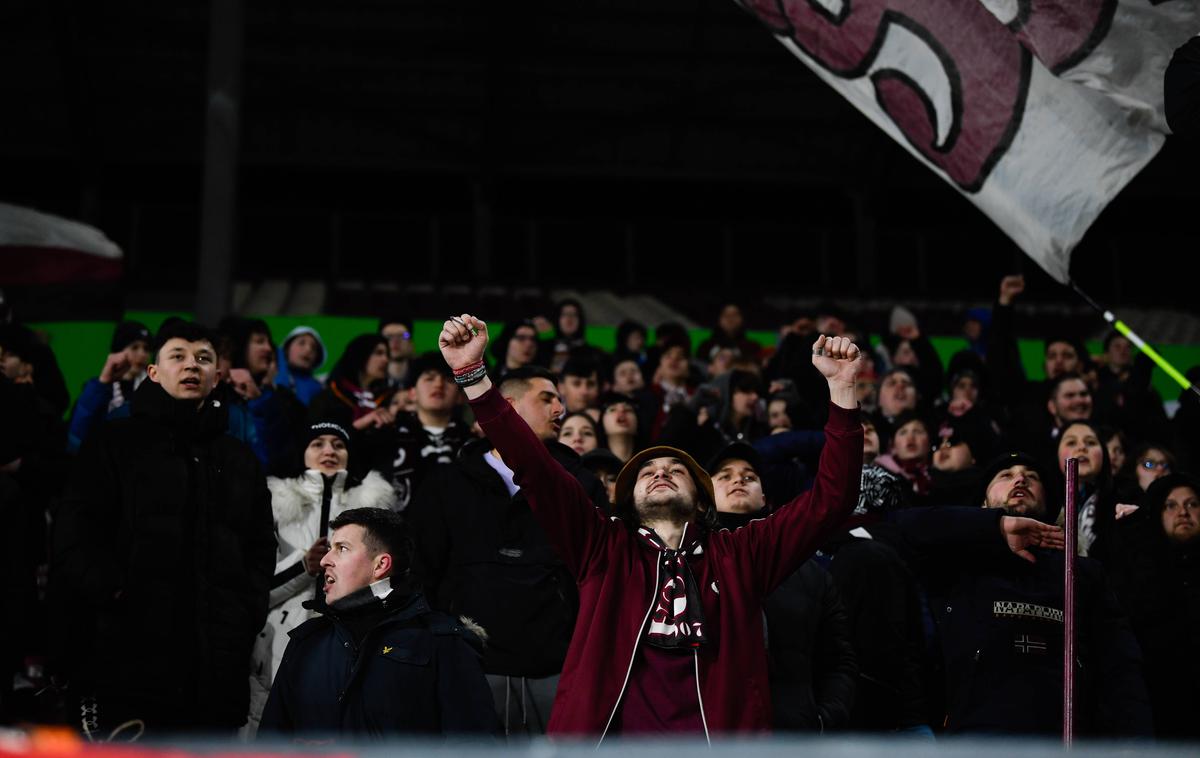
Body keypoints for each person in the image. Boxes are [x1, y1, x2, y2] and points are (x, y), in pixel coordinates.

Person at [438, 313, 864, 738]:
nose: (660, 473)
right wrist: (473, 376)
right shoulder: (601, 547)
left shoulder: (742, 553)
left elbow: (830, 502)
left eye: (675, 470)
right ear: (630, 501)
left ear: (700, 499)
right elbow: (535, 468)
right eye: (646, 472)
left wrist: (843, 391)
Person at [52, 320, 275, 735]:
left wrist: (242, 614)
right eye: (178, 356)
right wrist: (116, 592)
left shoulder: (239, 458)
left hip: (214, 674)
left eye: (203, 358)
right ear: (153, 372)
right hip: (123, 666)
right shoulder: (113, 441)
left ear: (217, 376)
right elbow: (74, 537)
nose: (191, 365)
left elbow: (260, 549)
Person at [863, 453, 1152, 736]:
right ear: (983, 502)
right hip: (973, 739)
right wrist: (995, 526)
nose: (1020, 479)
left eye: (1032, 477)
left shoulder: (1083, 573)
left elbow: (1121, 666)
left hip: (1068, 741)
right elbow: (893, 529)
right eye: (1005, 475)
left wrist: (1134, 743)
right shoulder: (953, 562)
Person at [408, 365, 609, 735]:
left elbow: (596, 578)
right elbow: (422, 573)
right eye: (547, 398)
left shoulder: (581, 486)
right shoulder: (445, 484)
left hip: (559, 669)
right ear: (509, 407)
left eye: (561, 401)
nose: (560, 410)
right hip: (469, 670)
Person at [259, 508, 496, 738]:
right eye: (329, 548)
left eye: (341, 548)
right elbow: (270, 745)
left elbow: (475, 747)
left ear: (381, 565)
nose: (325, 561)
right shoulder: (305, 643)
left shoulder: (444, 644)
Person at [246, 421, 398, 732]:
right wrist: (302, 566)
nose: (328, 450)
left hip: (352, 637)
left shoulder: (374, 508)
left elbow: (386, 582)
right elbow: (253, 585)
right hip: (277, 636)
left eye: (338, 444)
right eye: (317, 443)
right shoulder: (273, 503)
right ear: (302, 453)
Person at [708, 442, 856, 733]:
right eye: (724, 476)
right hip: (714, 737)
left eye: (749, 477)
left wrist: (824, 719)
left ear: (764, 498)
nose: (738, 479)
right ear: (704, 496)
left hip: (793, 737)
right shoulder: (688, 562)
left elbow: (838, 661)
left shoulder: (810, 572)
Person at [1106, 473, 1200, 739]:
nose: (1183, 512)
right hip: (1159, 707)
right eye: (1171, 505)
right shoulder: (1142, 574)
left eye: (1193, 504)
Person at [385, 351, 471, 509]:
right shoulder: (386, 438)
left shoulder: (474, 445)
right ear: (412, 393)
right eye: (429, 378)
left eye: (448, 379)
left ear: (461, 397)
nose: (438, 384)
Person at [65, 320, 151, 453]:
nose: (142, 354)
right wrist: (102, 383)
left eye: (146, 348)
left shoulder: (154, 388)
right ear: (118, 351)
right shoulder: (97, 388)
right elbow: (78, 434)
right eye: (134, 347)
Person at [274, 326, 326, 406]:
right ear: (287, 349)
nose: (308, 349)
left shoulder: (318, 388)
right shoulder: (270, 369)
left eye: (314, 348)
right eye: (301, 343)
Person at [379, 314, 415, 390]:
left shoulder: (423, 379)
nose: (395, 341)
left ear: (411, 342)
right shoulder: (369, 382)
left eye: (403, 336)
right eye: (388, 336)